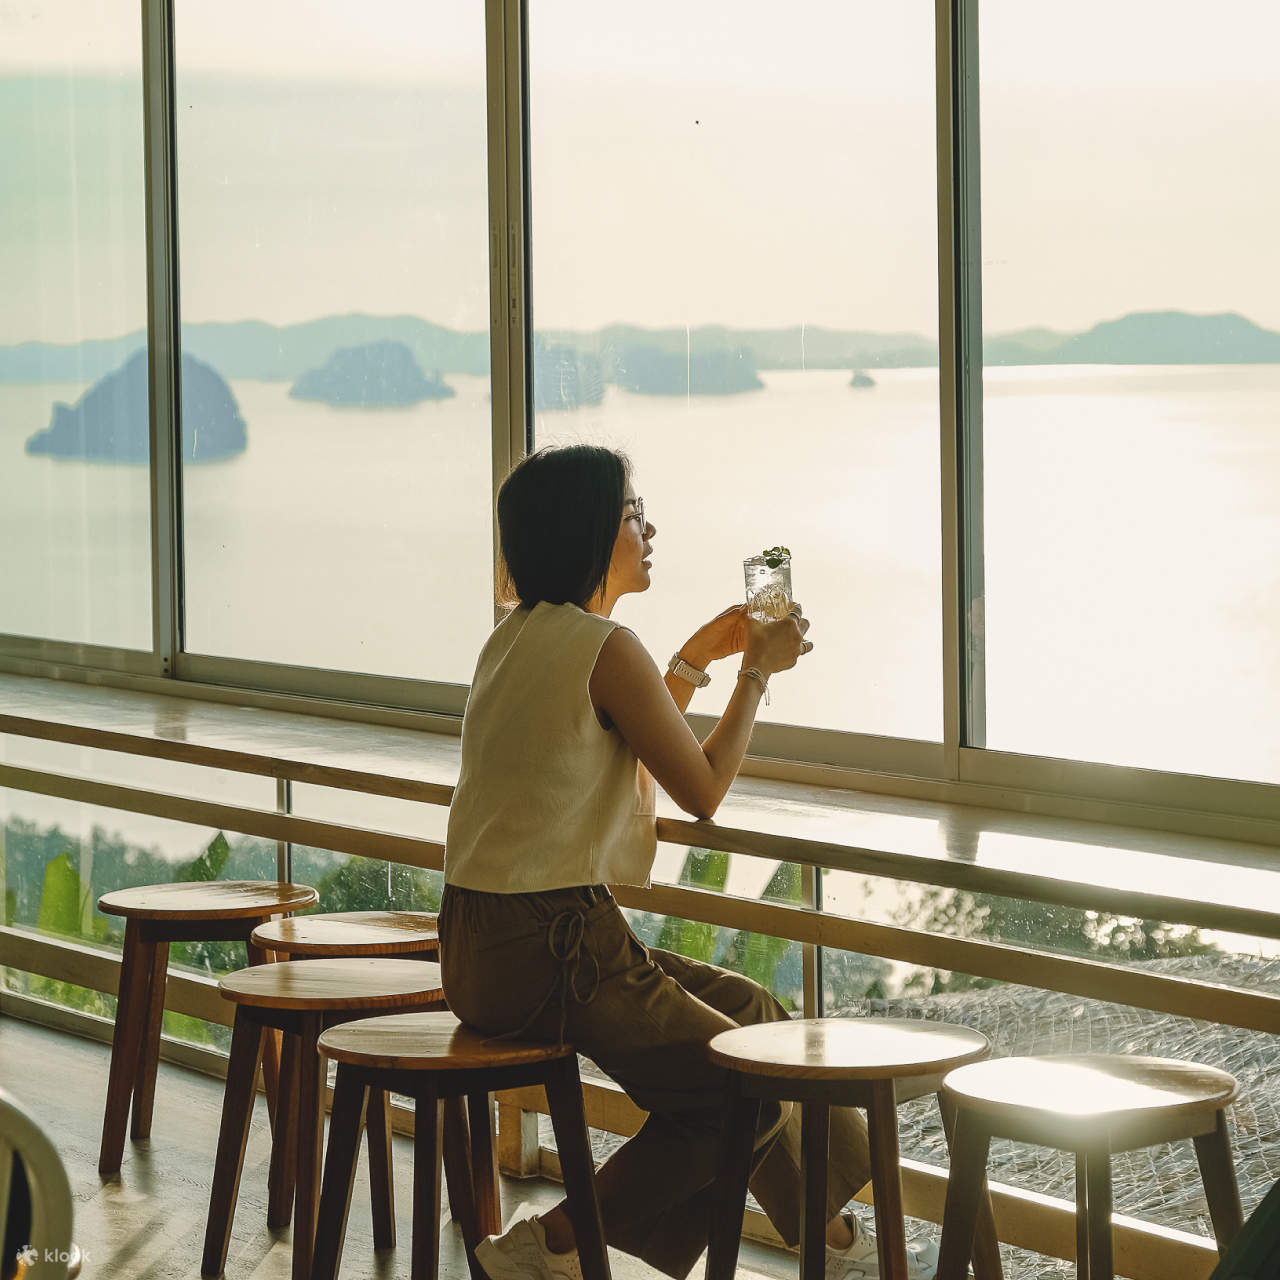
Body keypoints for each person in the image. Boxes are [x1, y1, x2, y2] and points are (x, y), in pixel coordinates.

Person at [440, 444, 937, 1280]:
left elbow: (620, 735)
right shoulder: (605, 645)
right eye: (634, 512)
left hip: (481, 943)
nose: (650, 526)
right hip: (549, 942)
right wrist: (755, 673)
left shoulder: (519, 637)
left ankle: (831, 1241)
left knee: (752, 1009)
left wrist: (697, 657)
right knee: (748, 1088)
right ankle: (551, 1248)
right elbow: (700, 788)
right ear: (592, 530)